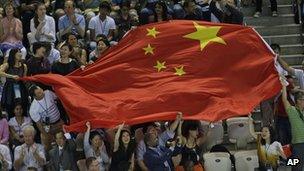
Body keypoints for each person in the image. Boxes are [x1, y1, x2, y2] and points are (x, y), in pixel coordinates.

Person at [29, 85, 64, 152]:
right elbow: (39, 124)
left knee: (63, 141)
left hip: (59, 122)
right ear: (35, 97)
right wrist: (46, 135)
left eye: (41, 90)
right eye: (39, 93)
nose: (42, 92)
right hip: (48, 127)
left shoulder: (48, 93)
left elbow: (58, 98)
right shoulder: (33, 109)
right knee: (47, 145)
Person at [281, 76, 304, 171]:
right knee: (296, 167)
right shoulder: (292, 111)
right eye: (302, 100)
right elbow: (284, 100)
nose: (303, 102)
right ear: (297, 101)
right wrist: (283, 87)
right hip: (297, 144)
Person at [0, 49, 28, 118]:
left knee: (21, 104)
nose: (20, 54)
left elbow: (24, 78)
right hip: (10, 87)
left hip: (20, 87)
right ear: (13, 54)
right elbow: (0, 72)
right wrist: (12, 76)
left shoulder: (24, 66)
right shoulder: (7, 65)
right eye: (18, 52)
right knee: (11, 105)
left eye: (20, 52)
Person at [274, 75, 294, 145]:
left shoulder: (295, 96)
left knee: (290, 137)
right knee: (283, 138)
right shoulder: (281, 93)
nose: (292, 85)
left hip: (291, 118)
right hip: (281, 117)